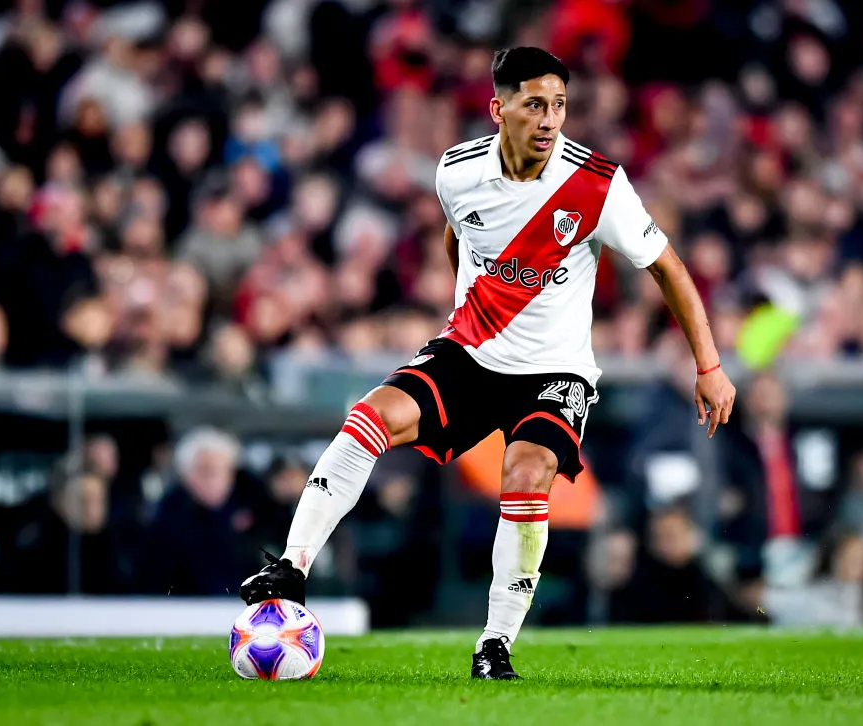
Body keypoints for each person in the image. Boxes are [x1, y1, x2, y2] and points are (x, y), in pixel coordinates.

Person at [239, 47, 735, 680]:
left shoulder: (597, 185)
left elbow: (668, 268)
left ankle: (495, 643)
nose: (550, 119)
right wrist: (467, 312)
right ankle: (293, 565)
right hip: (471, 353)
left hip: (554, 372)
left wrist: (709, 366)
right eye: (535, 105)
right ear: (499, 110)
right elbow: (458, 236)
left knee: (526, 475)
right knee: (369, 417)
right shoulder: (456, 171)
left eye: (559, 105)